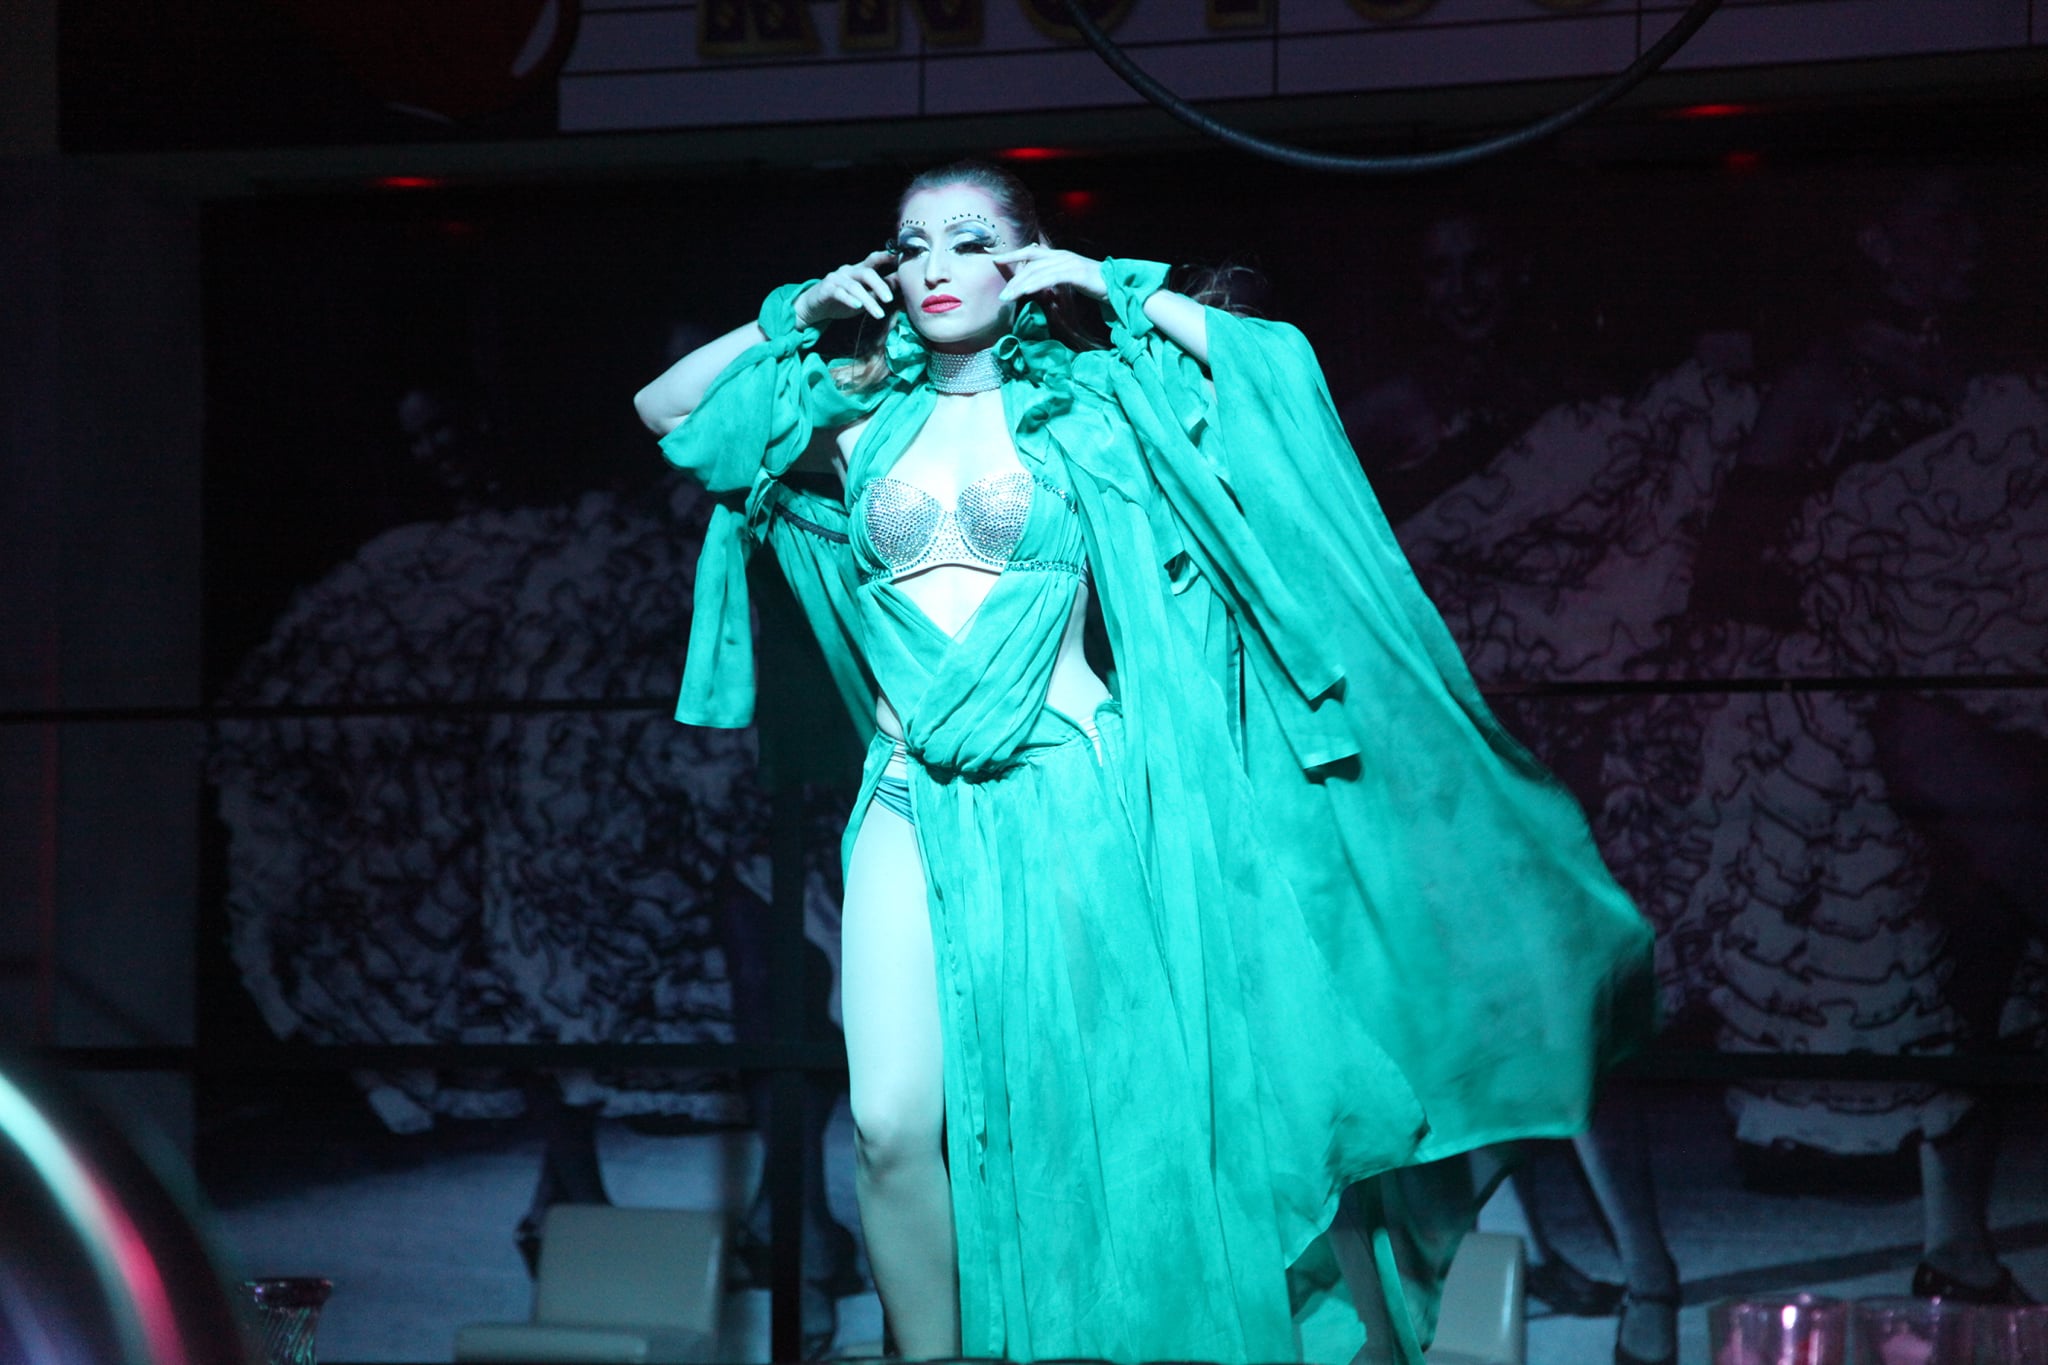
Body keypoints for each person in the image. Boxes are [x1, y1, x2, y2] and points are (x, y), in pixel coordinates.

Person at [633, 161, 1656, 1363]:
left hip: (1071, 792)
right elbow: (668, 412)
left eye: (970, 240)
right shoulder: (857, 425)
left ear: (1020, 258)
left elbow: (1270, 374)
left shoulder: (1094, 412)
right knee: (889, 1127)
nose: (937, 265)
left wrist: (1112, 285)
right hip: (909, 799)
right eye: (912, 246)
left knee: (1098, 1119)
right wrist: (795, 311)